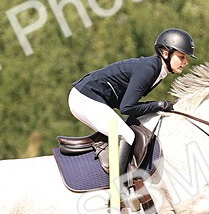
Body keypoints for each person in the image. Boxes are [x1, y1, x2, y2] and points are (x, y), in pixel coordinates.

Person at [67, 28, 195, 180]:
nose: (185, 62)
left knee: (124, 131)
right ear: (166, 53)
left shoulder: (157, 69)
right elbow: (126, 108)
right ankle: (118, 192)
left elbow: (127, 104)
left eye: (186, 58)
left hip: (88, 97)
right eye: (181, 57)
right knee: (126, 135)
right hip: (85, 98)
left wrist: (157, 105)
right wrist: (158, 104)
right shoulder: (149, 68)